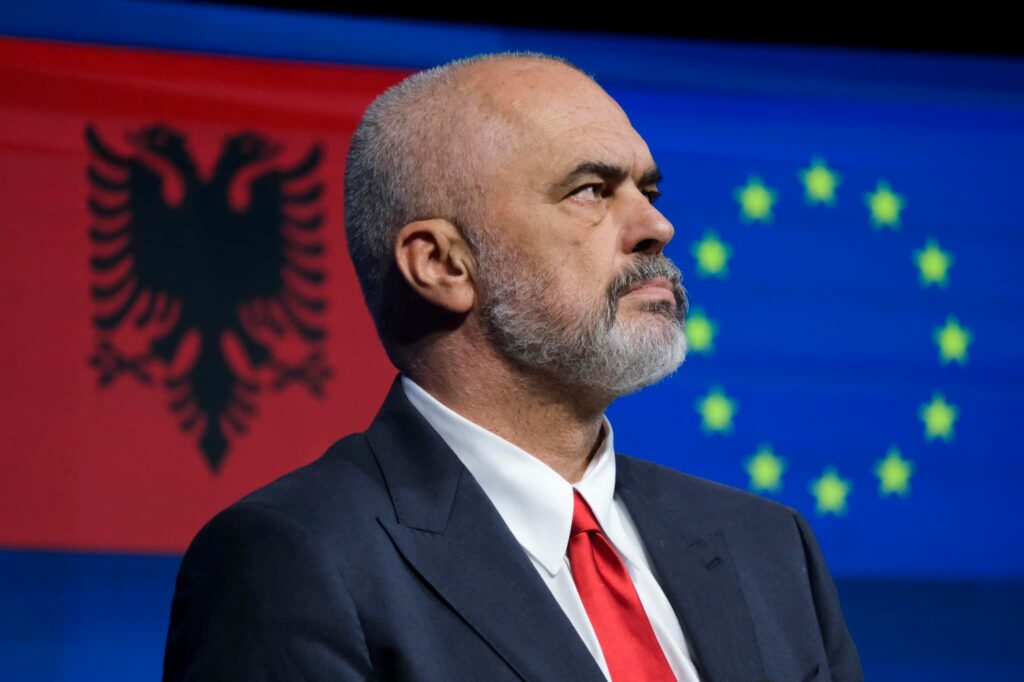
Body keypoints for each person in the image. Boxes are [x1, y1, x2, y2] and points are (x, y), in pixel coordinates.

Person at [162, 51, 863, 681]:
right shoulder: (293, 558)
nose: (658, 227)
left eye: (647, 192)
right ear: (443, 264)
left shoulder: (769, 547)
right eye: (591, 189)